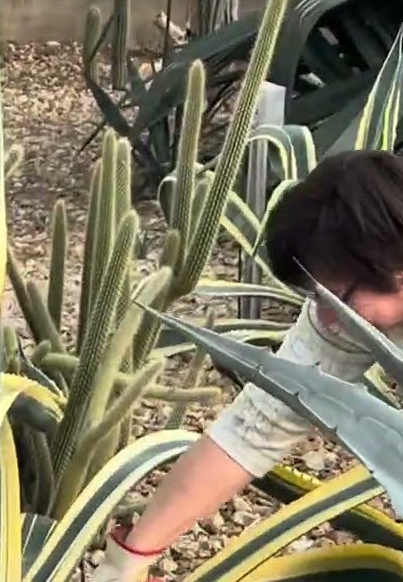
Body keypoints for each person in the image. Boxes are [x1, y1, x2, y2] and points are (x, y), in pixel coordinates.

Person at [92, 149, 403, 581]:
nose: (329, 318)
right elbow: (255, 428)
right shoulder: (341, 322)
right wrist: (126, 561)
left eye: (340, 299)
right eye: (317, 297)